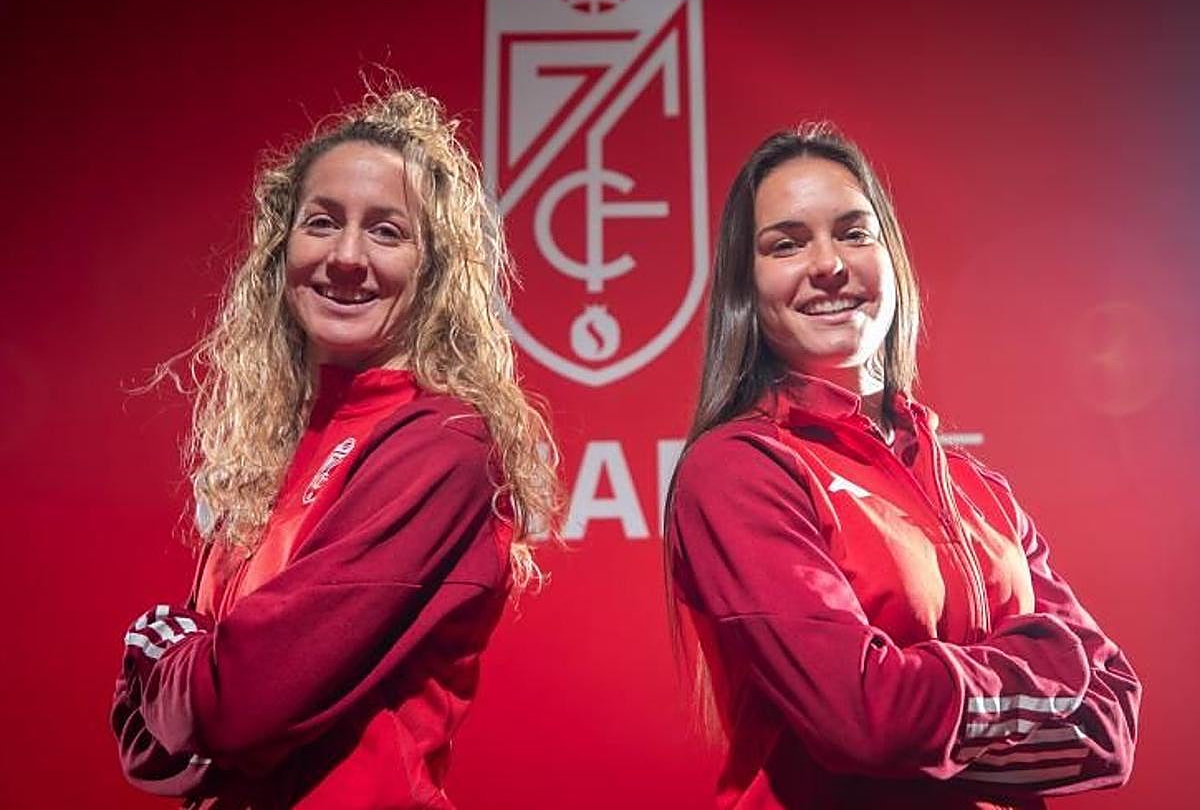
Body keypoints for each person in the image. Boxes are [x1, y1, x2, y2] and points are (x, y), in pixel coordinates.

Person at [112, 84, 562, 807]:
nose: (347, 257)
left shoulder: (442, 446)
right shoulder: (273, 446)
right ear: (281, 247)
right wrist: (194, 690)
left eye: (387, 232)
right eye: (322, 222)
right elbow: (147, 745)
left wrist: (164, 661)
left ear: (434, 269)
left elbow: (238, 705)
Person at [665, 124, 1140, 809]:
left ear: (891, 259)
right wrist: (1045, 676)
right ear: (746, 285)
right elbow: (863, 721)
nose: (829, 264)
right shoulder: (739, 471)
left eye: (854, 233)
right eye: (787, 243)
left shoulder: (978, 488)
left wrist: (932, 719)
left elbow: (1114, 718)